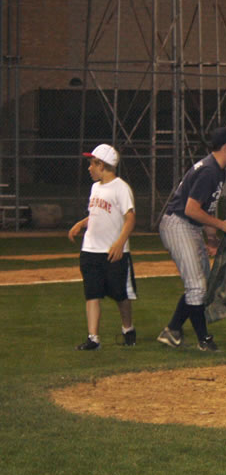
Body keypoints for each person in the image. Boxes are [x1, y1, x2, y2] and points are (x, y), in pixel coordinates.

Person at [158, 127, 226, 352]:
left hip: (189, 226)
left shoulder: (217, 169)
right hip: (179, 224)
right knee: (197, 287)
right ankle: (204, 340)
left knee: (203, 286)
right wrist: (220, 224)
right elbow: (191, 209)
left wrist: (211, 236)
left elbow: (205, 208)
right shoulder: (210, 170)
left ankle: (172, 331)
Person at [67, 144, 137, 350]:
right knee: (92, 294)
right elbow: (97, 214)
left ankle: (128, 329)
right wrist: (81, 224)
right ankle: (93, 338)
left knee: (120, 295)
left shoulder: (120, 188)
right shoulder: (95, 188)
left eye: (92, 163)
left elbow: (130, 218)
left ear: (102, 165)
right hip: (90, 250)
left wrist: (119, 243)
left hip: (113, 252)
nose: (89, 168)